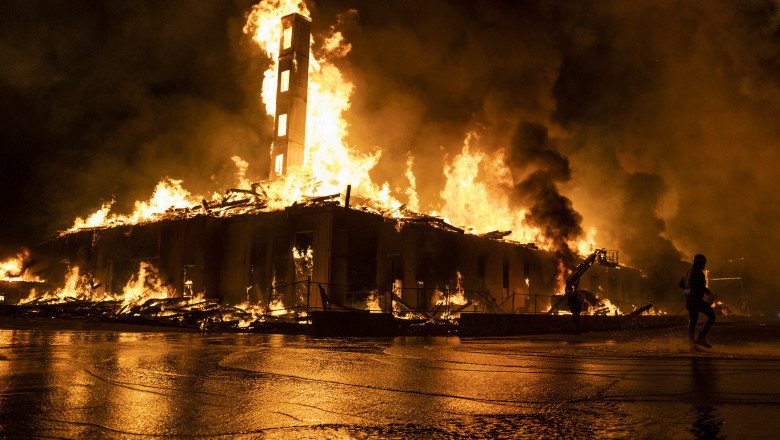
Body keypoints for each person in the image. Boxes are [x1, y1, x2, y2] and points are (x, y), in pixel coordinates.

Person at [679, 254, 716, 348]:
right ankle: (701, 337)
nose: (704, 265)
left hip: (689, 300)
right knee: (712, 316)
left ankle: (691, 343)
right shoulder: (698, 272)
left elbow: (681, 284)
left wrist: (688, 290)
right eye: (704, 263)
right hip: (696, 299)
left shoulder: (688, 271)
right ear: (701, 263)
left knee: (693, 321)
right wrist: (710, 293)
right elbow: (700, 287)